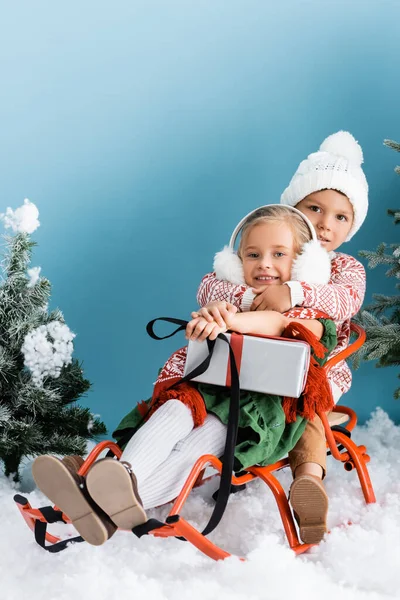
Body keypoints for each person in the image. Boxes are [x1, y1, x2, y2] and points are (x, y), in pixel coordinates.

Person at [32, 205, 337, 547]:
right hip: (205, 389)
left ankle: (99, 502)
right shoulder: (231, 302)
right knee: (171, 412)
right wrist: (213, 317)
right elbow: (217, 325)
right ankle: (121, 474)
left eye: (278, 254)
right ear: (237, 263)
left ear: (300, 263)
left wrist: (231, 322)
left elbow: (279, 324)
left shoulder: (314, 314)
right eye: (253, 254)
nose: (264, 263)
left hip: (255, 412)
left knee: (196, 448)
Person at [195, 131, 368, 543]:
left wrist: (290, 292)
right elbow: (209, 287)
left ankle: (309, 482)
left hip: (317, 371)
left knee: (303, 407)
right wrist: (249, 296)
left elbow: (343, 301)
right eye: (315, 208)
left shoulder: (345, 267)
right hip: (250, 365)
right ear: (294, 209)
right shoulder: (274, 252)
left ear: (350, 225)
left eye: (340, 217)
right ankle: (174, 461)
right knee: (206, 390)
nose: (326, 224)